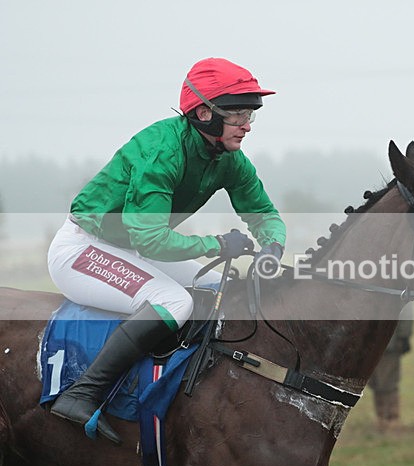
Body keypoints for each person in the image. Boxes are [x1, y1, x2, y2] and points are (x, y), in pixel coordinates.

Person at [46, 57, 286, 445]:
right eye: (238, 114)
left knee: (218, 288)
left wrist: (272, 244)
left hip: (129, 249)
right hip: (84, 248)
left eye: (251, 115)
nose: (247, 125)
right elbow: (151, 240)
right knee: (174, 302)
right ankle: (82, 394)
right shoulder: (161, 151)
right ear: (204, 113)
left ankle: (190, 388)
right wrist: (219, 244)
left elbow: (263, 214)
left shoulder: (229, 160)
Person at [368, 303, 414, 433]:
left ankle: (392, 418)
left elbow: (406, 312)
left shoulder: (399, 289)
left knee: (388, 383)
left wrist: (403, 337)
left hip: (390, 345)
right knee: (376, 383)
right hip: (372, 345)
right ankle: (382, 418)